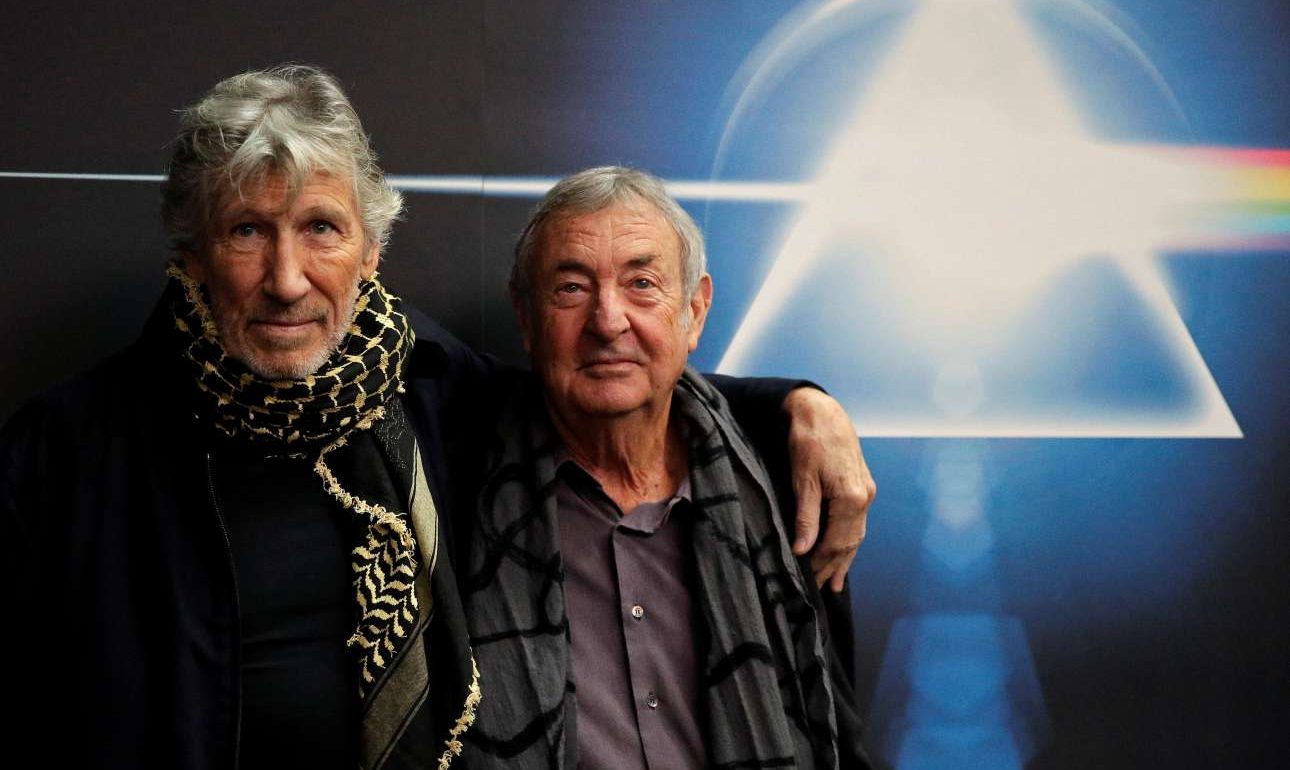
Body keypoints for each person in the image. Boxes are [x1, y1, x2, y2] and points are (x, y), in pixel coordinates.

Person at [0, 66, 873, 769]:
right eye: (246, 232)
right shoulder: (66, 453)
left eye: (321, 229)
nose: (288, 278)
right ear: (191, 256)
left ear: (372, 252)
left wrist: (799, 403)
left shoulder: (425, 386)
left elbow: (611, 374)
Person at [460, 166, 872, 768]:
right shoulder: (459, 475)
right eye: (571, 288)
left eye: (642, 284)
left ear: (695, 312)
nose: (608, 321)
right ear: (525, 318)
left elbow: (834, 719)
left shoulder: (783, 486)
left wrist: (802, 400)